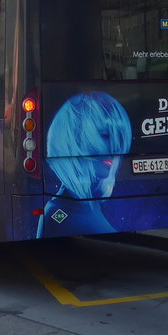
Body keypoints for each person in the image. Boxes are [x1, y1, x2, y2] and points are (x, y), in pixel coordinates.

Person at [37, 90, 132, 237]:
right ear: (75, 137)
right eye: (105, 135)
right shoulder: (57, 213)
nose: (115, 147)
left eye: (118, 136)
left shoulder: (91, 203)